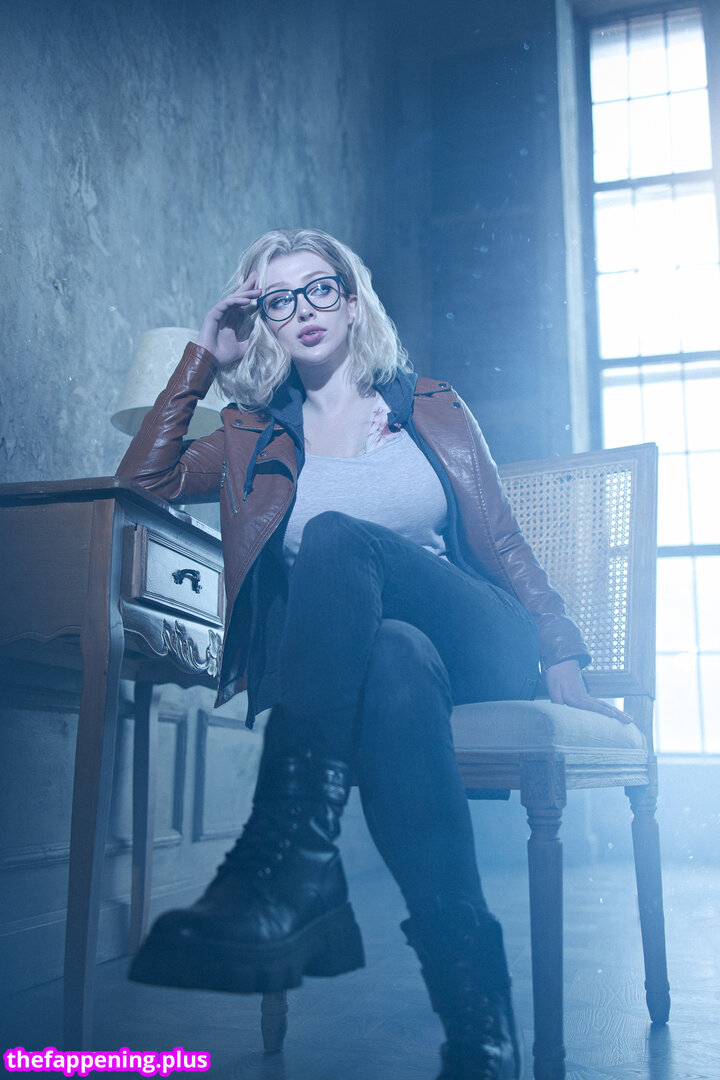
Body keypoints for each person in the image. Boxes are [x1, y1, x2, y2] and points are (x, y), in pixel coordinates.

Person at [118, 227, 629, 1080]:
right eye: (278, 300)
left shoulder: (430, 404)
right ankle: (480, 1030)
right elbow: (143, 484)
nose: (303, 310)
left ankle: (289, 856)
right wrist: (202, 361)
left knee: (335, 536)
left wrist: (562, 650)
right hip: (388, 663)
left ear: (352, 301)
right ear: (263, 320)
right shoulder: (251, 435)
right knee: (391, 656)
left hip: (479, 637)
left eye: (320, 288)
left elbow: (502, 540)